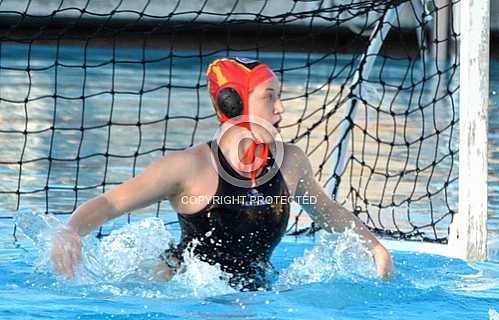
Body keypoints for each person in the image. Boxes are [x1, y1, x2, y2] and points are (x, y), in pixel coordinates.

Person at [51, 57, 393, 290]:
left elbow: (328, 211)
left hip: (255, 291)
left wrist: (375, 248)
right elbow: (111, 204)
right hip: (183, 291)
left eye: (280, 96)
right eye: (269, 96)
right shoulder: (191, 167)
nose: (281, 107)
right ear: (235, 104)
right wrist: (69, 231)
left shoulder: (291, 162)